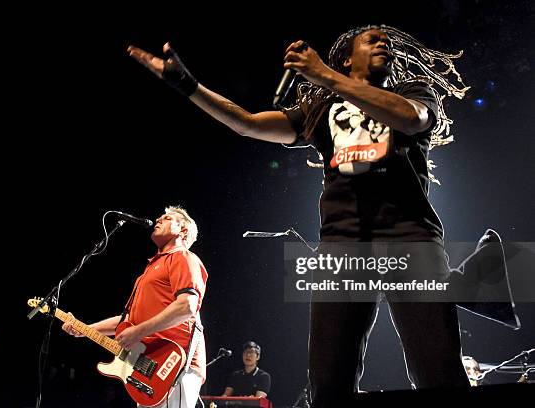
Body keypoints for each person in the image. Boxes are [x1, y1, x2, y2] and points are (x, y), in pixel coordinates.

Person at [126, 24, 471, 404]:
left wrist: (324, 74)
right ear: (346, 58)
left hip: (410, 239)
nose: (384, 44)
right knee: (327, 380)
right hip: (342, 247)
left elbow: (410, 118)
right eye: (371, 40)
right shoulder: (321, 109)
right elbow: (247, 124)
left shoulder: (411, 92)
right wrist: (188, 86)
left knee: (438, 369)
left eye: (386, 41)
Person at [62, 206, 208, 408]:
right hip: (150, 366)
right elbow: (128, 319)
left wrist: (138, 332)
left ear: (183, 231)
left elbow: (187, 306)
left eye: (166, 218)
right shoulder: (148, 272)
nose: (158, 219)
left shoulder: (183, 257)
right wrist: (85, 329)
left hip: (175, 363)